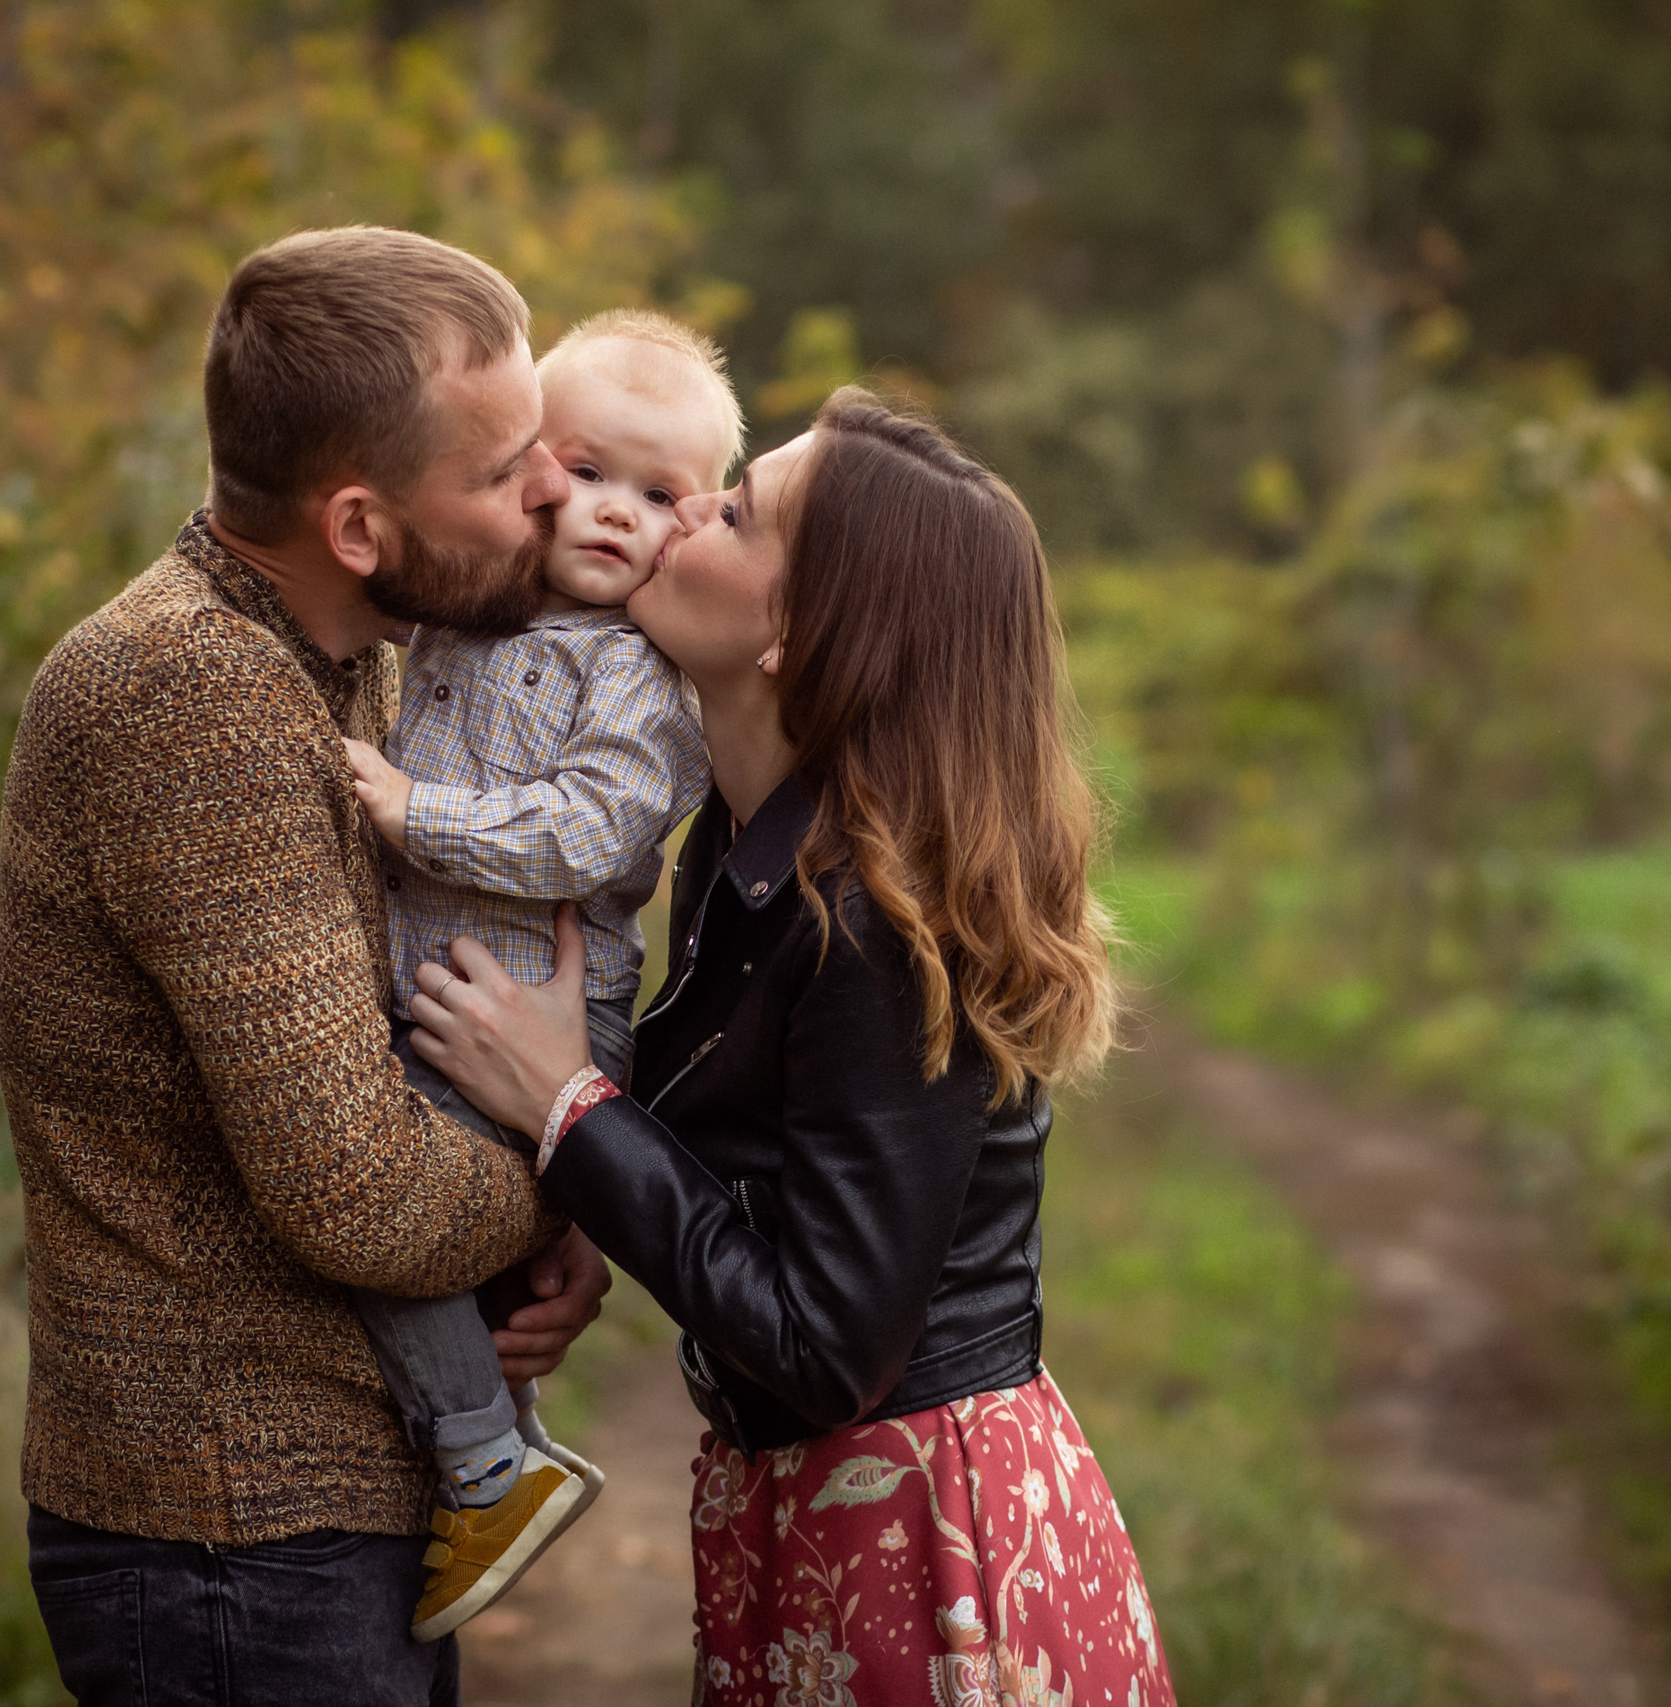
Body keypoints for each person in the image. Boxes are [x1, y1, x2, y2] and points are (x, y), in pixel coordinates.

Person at [407, 388, 1179, 1705]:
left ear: (798, 631)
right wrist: (588, 1197)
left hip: (923, 1540)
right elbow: (772, 1171)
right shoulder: (742, 845)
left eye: (735, 508)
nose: (686, 508)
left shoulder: (882, 920)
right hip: (818, 1510)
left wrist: (574, 1111)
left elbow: (825, 1339)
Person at [0, 225, 612, 1707]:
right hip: (232, 1539)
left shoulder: (346, 656)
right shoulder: (192, 696)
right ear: (356, 526)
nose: (551, 491)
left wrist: (554, 1217)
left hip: (313, 1521)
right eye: (500, 468)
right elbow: (366, 1195)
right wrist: (581, 1153)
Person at [337, 309, 735, 1640]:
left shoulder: (636, 674)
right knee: (459, 1256)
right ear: (527, 470)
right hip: (455, 997)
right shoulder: (478, 617)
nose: (619, 512)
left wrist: (411, 817)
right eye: (590, 471)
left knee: (385, 1220)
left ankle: (485, 1466)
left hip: (546, 1012)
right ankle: (498, 1437)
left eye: (663, 494)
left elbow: (591, 830)